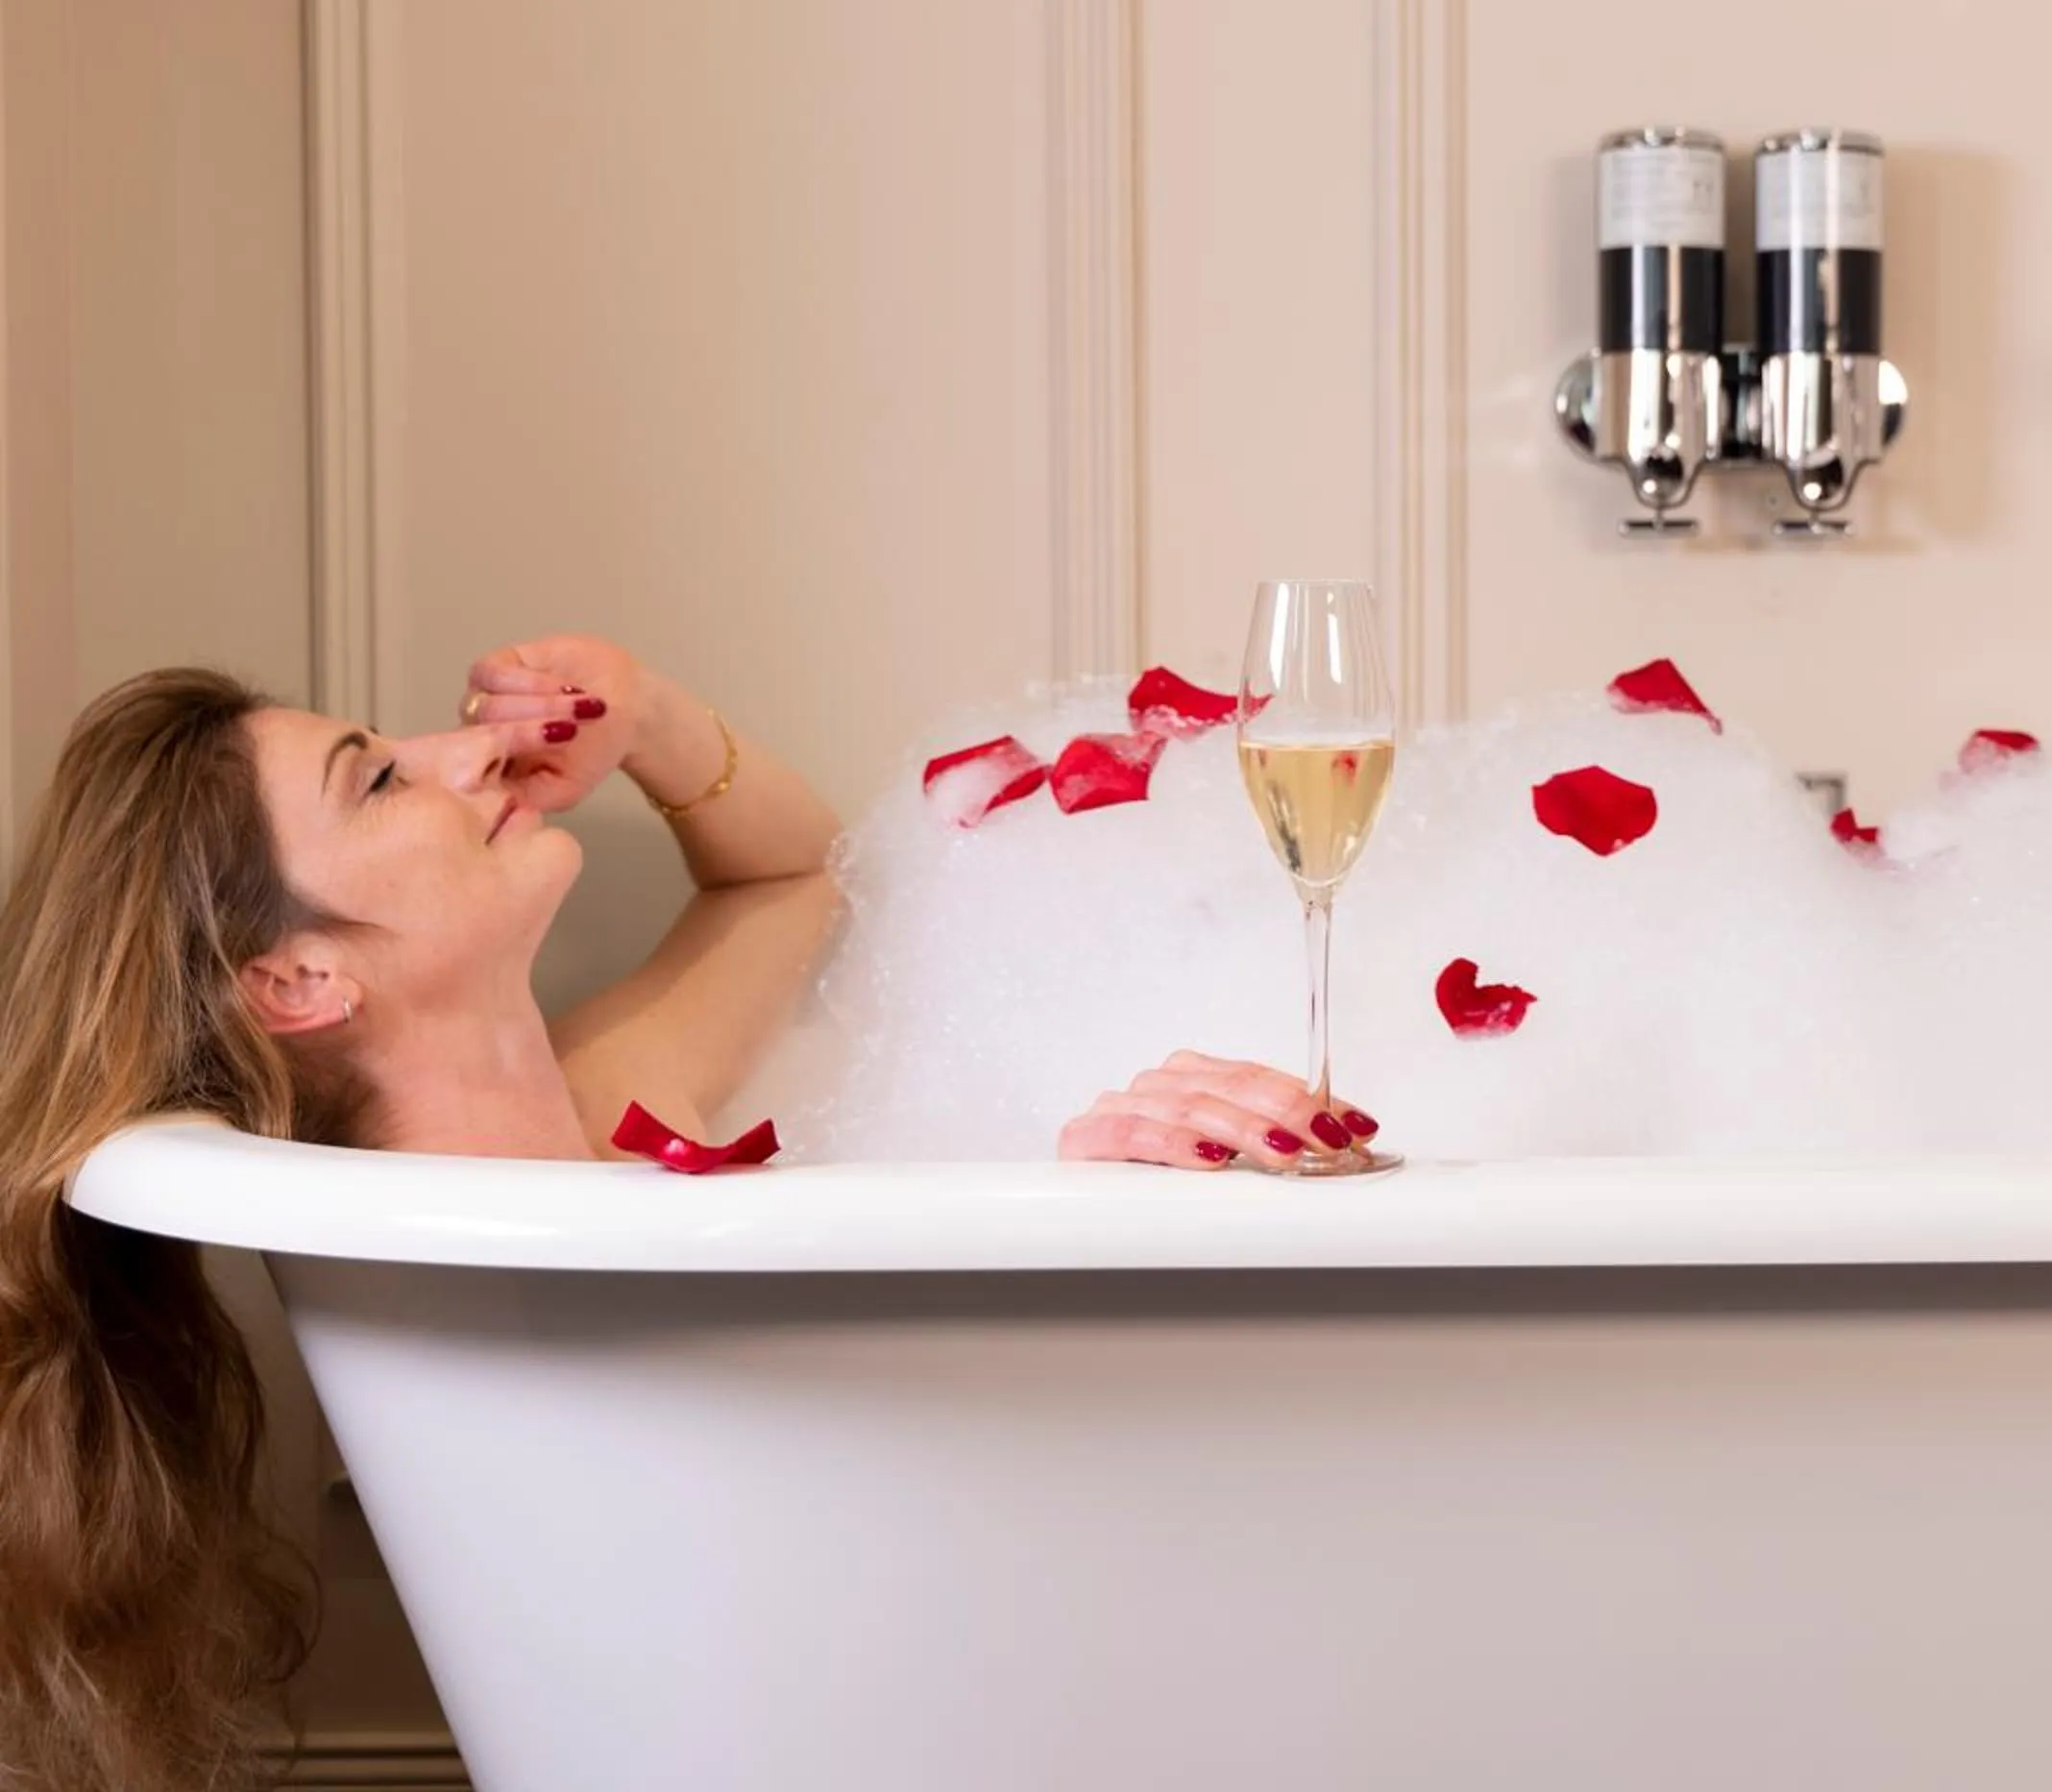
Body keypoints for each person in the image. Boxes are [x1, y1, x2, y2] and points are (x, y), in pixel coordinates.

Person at [0, 632, 1374, 1792]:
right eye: (377, 780)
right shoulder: (446, 1247)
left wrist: (645, 717)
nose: (465, 751)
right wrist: (1067, 1220)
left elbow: (791, 879)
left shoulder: (610, 1102)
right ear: (297, 980)